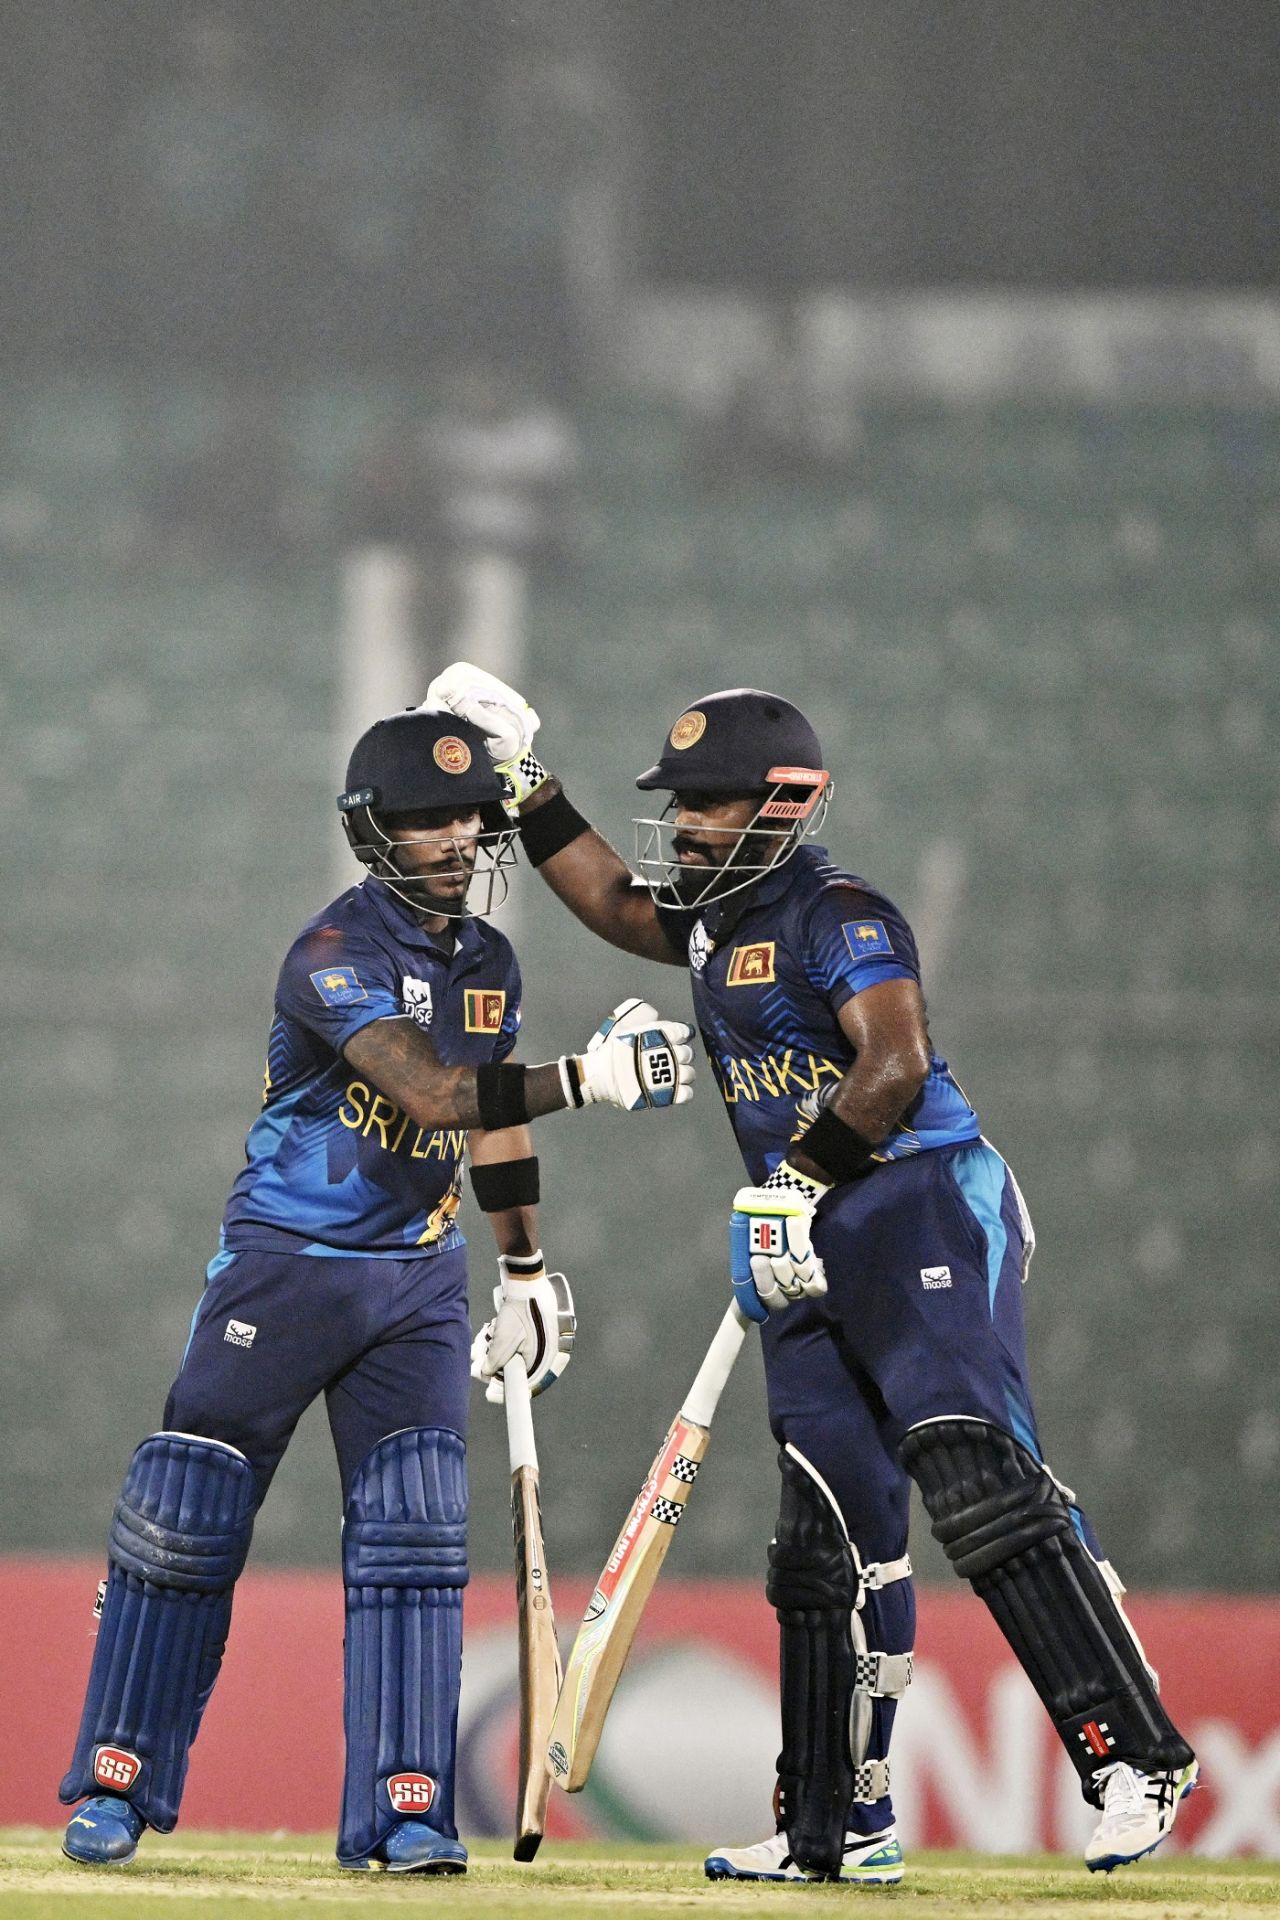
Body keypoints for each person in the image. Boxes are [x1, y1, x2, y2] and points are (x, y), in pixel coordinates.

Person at [425, 664, 1199, 1884]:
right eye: (677, 800)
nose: (681, 821)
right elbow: (620, 908)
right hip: (799, 1240)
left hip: (919, 1207)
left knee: (971, 1473)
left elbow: (893, 1061)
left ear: (782, 805)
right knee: (823, 1544)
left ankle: (1133, 1754)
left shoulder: (837, 912)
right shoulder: (714, 917)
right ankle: (834, 1824)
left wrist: (795, 1184)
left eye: (707, 802)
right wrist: (526, 788)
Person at [58, 706, 695, 1874]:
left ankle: (405, 1810)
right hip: (286, 1268)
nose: (455, 837)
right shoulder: (330, 956)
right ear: (373, 835)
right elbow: (439, 1097)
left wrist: (519, 1268)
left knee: (415, 1539)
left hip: (415, 1284)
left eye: (466, 815)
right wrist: (588, 1078)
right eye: (423, 822)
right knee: (186, 1516)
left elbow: (489, 1115)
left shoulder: (489, 960)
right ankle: (119, 1780)